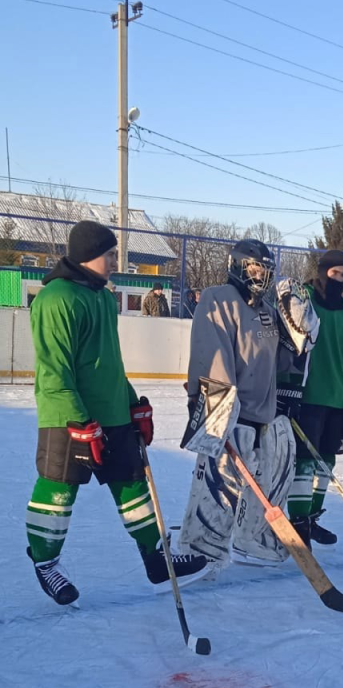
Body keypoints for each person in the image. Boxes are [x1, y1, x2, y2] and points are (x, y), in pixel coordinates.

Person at [25, 220, 207, 606]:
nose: (114, 261)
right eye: (110, 254)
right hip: (67, 417)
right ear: (89, 254)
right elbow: (54, 368)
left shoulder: (103, 298)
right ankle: (45, 563)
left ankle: (157, 558)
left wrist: (132, 403)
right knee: (59, 489)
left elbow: (108, 362)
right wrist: (78, 421)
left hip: (112, 413)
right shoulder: (56, 298)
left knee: (131, 483)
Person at [177, 239, 318, 566]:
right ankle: (200, 547)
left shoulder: (268, 312)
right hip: (228, 410)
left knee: (271, 476)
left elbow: (281, 362)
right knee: (220, 484)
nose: (260, 275)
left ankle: (254, 539)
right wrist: (218, 413)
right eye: (254, 267)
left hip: (263, 414)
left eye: (266, 269)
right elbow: (209, 354)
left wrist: (302, 336)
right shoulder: (217, 299)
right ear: (237, 266)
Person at [285, 250, 343, 547]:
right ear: (322, 272)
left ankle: (312, 517)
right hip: (307, 396)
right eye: (334, 274)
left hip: (338, 398)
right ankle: (298, 521)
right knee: (304, 462)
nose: (339, 280)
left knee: (326, 462)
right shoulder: (302, 302)